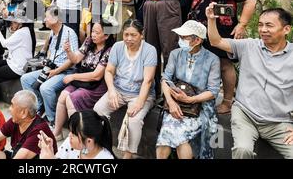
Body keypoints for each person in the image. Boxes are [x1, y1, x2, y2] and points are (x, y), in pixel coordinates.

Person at [206, 5, 293, 159]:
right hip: (246, 115)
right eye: (260, 25)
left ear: (286, 29)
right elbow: (215, 41)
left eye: (269, 25)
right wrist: (211, 20)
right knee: (242, 149)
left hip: (279, 123)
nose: (263, 30)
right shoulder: (249, 46)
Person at [187, 0, 256, 114]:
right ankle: (200, 97)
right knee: (200, 62)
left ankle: (227, 101)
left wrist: (242, 24)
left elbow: (250, 1)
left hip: (222, 29)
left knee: (225, 64)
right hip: (200, 28)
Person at [156, 20, 220, 159]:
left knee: (179, 136)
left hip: (200, 107)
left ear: (197, 40)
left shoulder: (212, 59)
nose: (180, 40)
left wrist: (191, 99)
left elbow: (213, 91)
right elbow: (165, 79)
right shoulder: (175, 54)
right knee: (165, 136)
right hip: (177, 105)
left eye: (184, 37)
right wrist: (171, 103)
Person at [94, 19, 157, 159]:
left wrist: (139, 103)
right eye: (126, 34)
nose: (129, 38)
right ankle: (103, 146)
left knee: (134, 120)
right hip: (118, 90)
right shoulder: (117, 46)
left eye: (133, 35)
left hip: (140, 93)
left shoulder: (150, 50)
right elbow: (109, 71)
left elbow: (148, 80)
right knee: (98, 110)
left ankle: (128, 155)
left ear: (142, 34)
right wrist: (111, 91)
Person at [53, 22, 114, 140]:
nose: (93, 35)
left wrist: (73, 77)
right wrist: (68, 51)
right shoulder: (89, 41)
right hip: (82, 80)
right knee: (62, 96)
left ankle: (76, 135)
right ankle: (57, 132)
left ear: (106, 36)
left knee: (71, 99)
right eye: (92, 32)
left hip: (97, 85)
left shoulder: (110, 50)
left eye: (97, 32)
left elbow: (96, 76)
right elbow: (76, 59)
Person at [20, 6, 79, 126]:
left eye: (46, 17)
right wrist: (46, 62)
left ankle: (51, 120)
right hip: (52, 68)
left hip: (66, 71)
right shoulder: (53, 32)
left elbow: (72, 61)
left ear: (56, 19)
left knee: (45, 88)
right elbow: (51, 52)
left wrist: (56, 71)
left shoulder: (69, 33)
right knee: (25, 79)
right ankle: (39, 105)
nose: (44, 20)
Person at [0, 90, 57, 159]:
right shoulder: (17, 120)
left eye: (12, 105)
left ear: (23, 113)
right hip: (15, 154)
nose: (9, 108)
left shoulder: (39, 131)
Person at [0, 12, 36, 100]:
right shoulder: (25, 30)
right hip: (13, 62)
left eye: (14, 22)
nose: (11, 24)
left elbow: (4, 44)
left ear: (20, 24)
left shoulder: (21, 33)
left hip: (17, 68)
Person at [39, 110, 115, 159]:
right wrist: (49, 151)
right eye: (70, 131)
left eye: (74, 134)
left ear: (89, 141)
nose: (69, 135)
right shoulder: (69, 143)